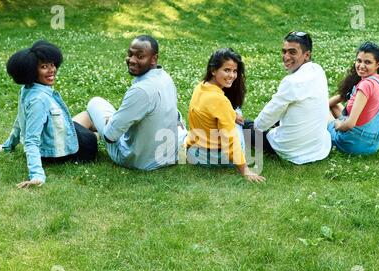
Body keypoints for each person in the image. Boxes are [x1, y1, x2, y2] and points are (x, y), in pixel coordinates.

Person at [0, 40, 97, 189]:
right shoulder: (39, 99)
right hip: (81, 149)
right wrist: (37, 176)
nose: (52, 70)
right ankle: (109, 136)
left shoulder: (28, 90)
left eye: (52, 64)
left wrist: (7, 146)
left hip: (59, 138)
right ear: (31, 71)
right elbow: (31, 140)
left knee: (87, 115)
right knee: (95, 123)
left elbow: (20, 121)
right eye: (44, 67)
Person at [83, 35, 183, 170]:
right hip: (168, 155)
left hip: (139, 161)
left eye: (140, 57)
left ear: (154, 59)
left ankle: (71, 138)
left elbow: (109, 136)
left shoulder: (141, 91)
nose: (132, 60)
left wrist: (110, 121)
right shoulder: (165, 77)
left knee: (95, 103)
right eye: (130, 54)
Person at [243, 31, 331, 164]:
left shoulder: (291, 82)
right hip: (318, 147)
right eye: (284, 51)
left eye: (292, 52)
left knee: (247, 126)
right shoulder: (318, 70)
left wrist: (252, 125)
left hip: (292, 150)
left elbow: (263, 121)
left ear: (306, 55)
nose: (286, 57)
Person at [186, 48, 265, 183]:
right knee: (238, 117)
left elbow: (211, 110)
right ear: (213, 70)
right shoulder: (220, 101)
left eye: (235, 71)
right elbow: (229, 139)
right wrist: (245, 170)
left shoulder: (200, 87)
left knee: (235, 113)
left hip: (193, 152)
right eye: (227, 70)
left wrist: (231, 113)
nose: (232, 75)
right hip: (212, 158)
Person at [328, 42, 379, 155]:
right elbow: (341, 97)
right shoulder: (378, 82)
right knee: (334, 106)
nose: (361, 66)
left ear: (378, 64)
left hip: (353, 144)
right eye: (359, 61)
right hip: (372, 145)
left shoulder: (365, 85)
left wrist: (337, 125)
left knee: (323, 111)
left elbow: (350, 124)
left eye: (367, 62)